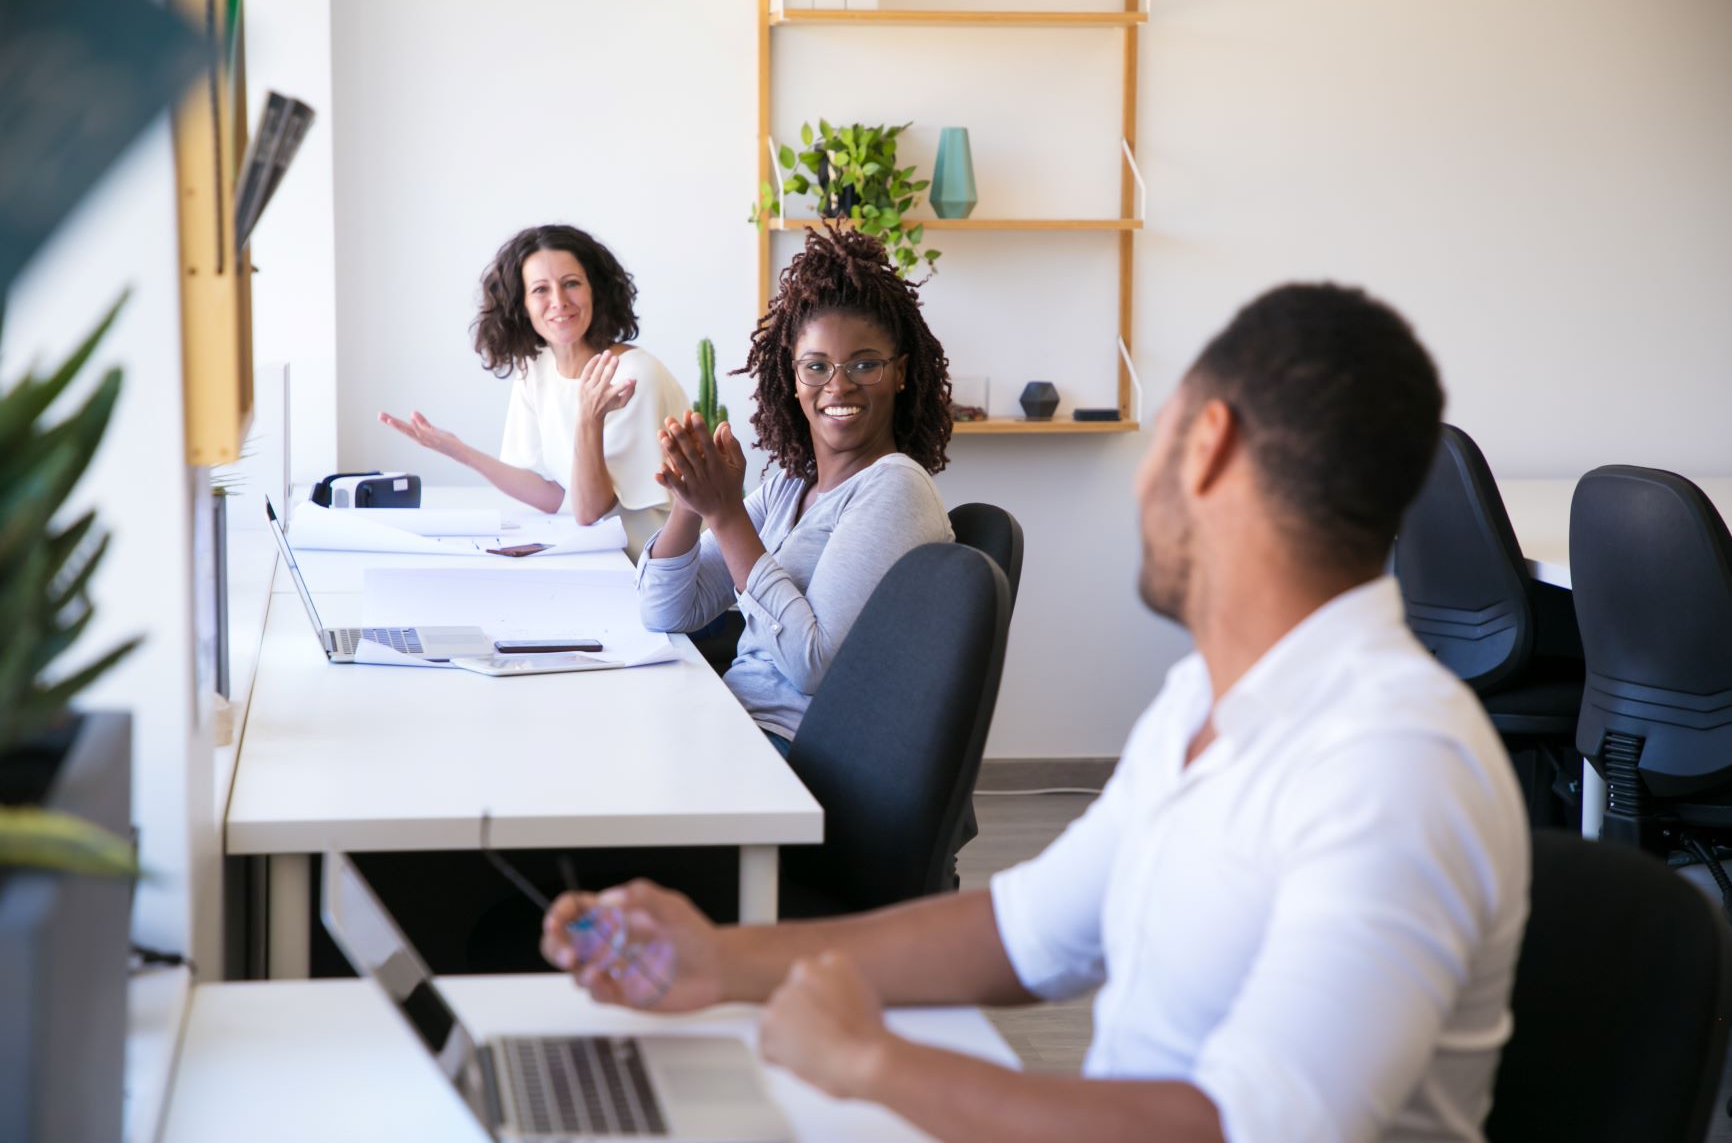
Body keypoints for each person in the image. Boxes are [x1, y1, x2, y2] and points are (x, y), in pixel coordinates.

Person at [543, 283, 1531, 1143]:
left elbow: (1242, 1128)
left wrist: (873, 1062)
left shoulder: (1395, 764)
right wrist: (719, 958)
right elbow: (1027, 932)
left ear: (1210, 446)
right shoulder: (1208, 699)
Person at [636, 227, 955, 751]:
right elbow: (665, 611)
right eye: (817, 366)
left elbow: (813, 664)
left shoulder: (895, 488)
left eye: (864, 364)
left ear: (899, 373)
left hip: (795, 751)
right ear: (794, 376)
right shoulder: (790, 485)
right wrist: (691, 504)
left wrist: (728, 515)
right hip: (735, 723)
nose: (839, 384)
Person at [378, 224, 688, 554]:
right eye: (540, 289)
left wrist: (587, 418)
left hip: (658, 569)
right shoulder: (535, 368)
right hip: (600, 558)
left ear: (595, 290)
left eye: (571, 284)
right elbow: (552, 494)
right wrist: (460, 451)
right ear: (521, 304)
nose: (559, 301)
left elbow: (590, 510)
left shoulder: (634, 374)